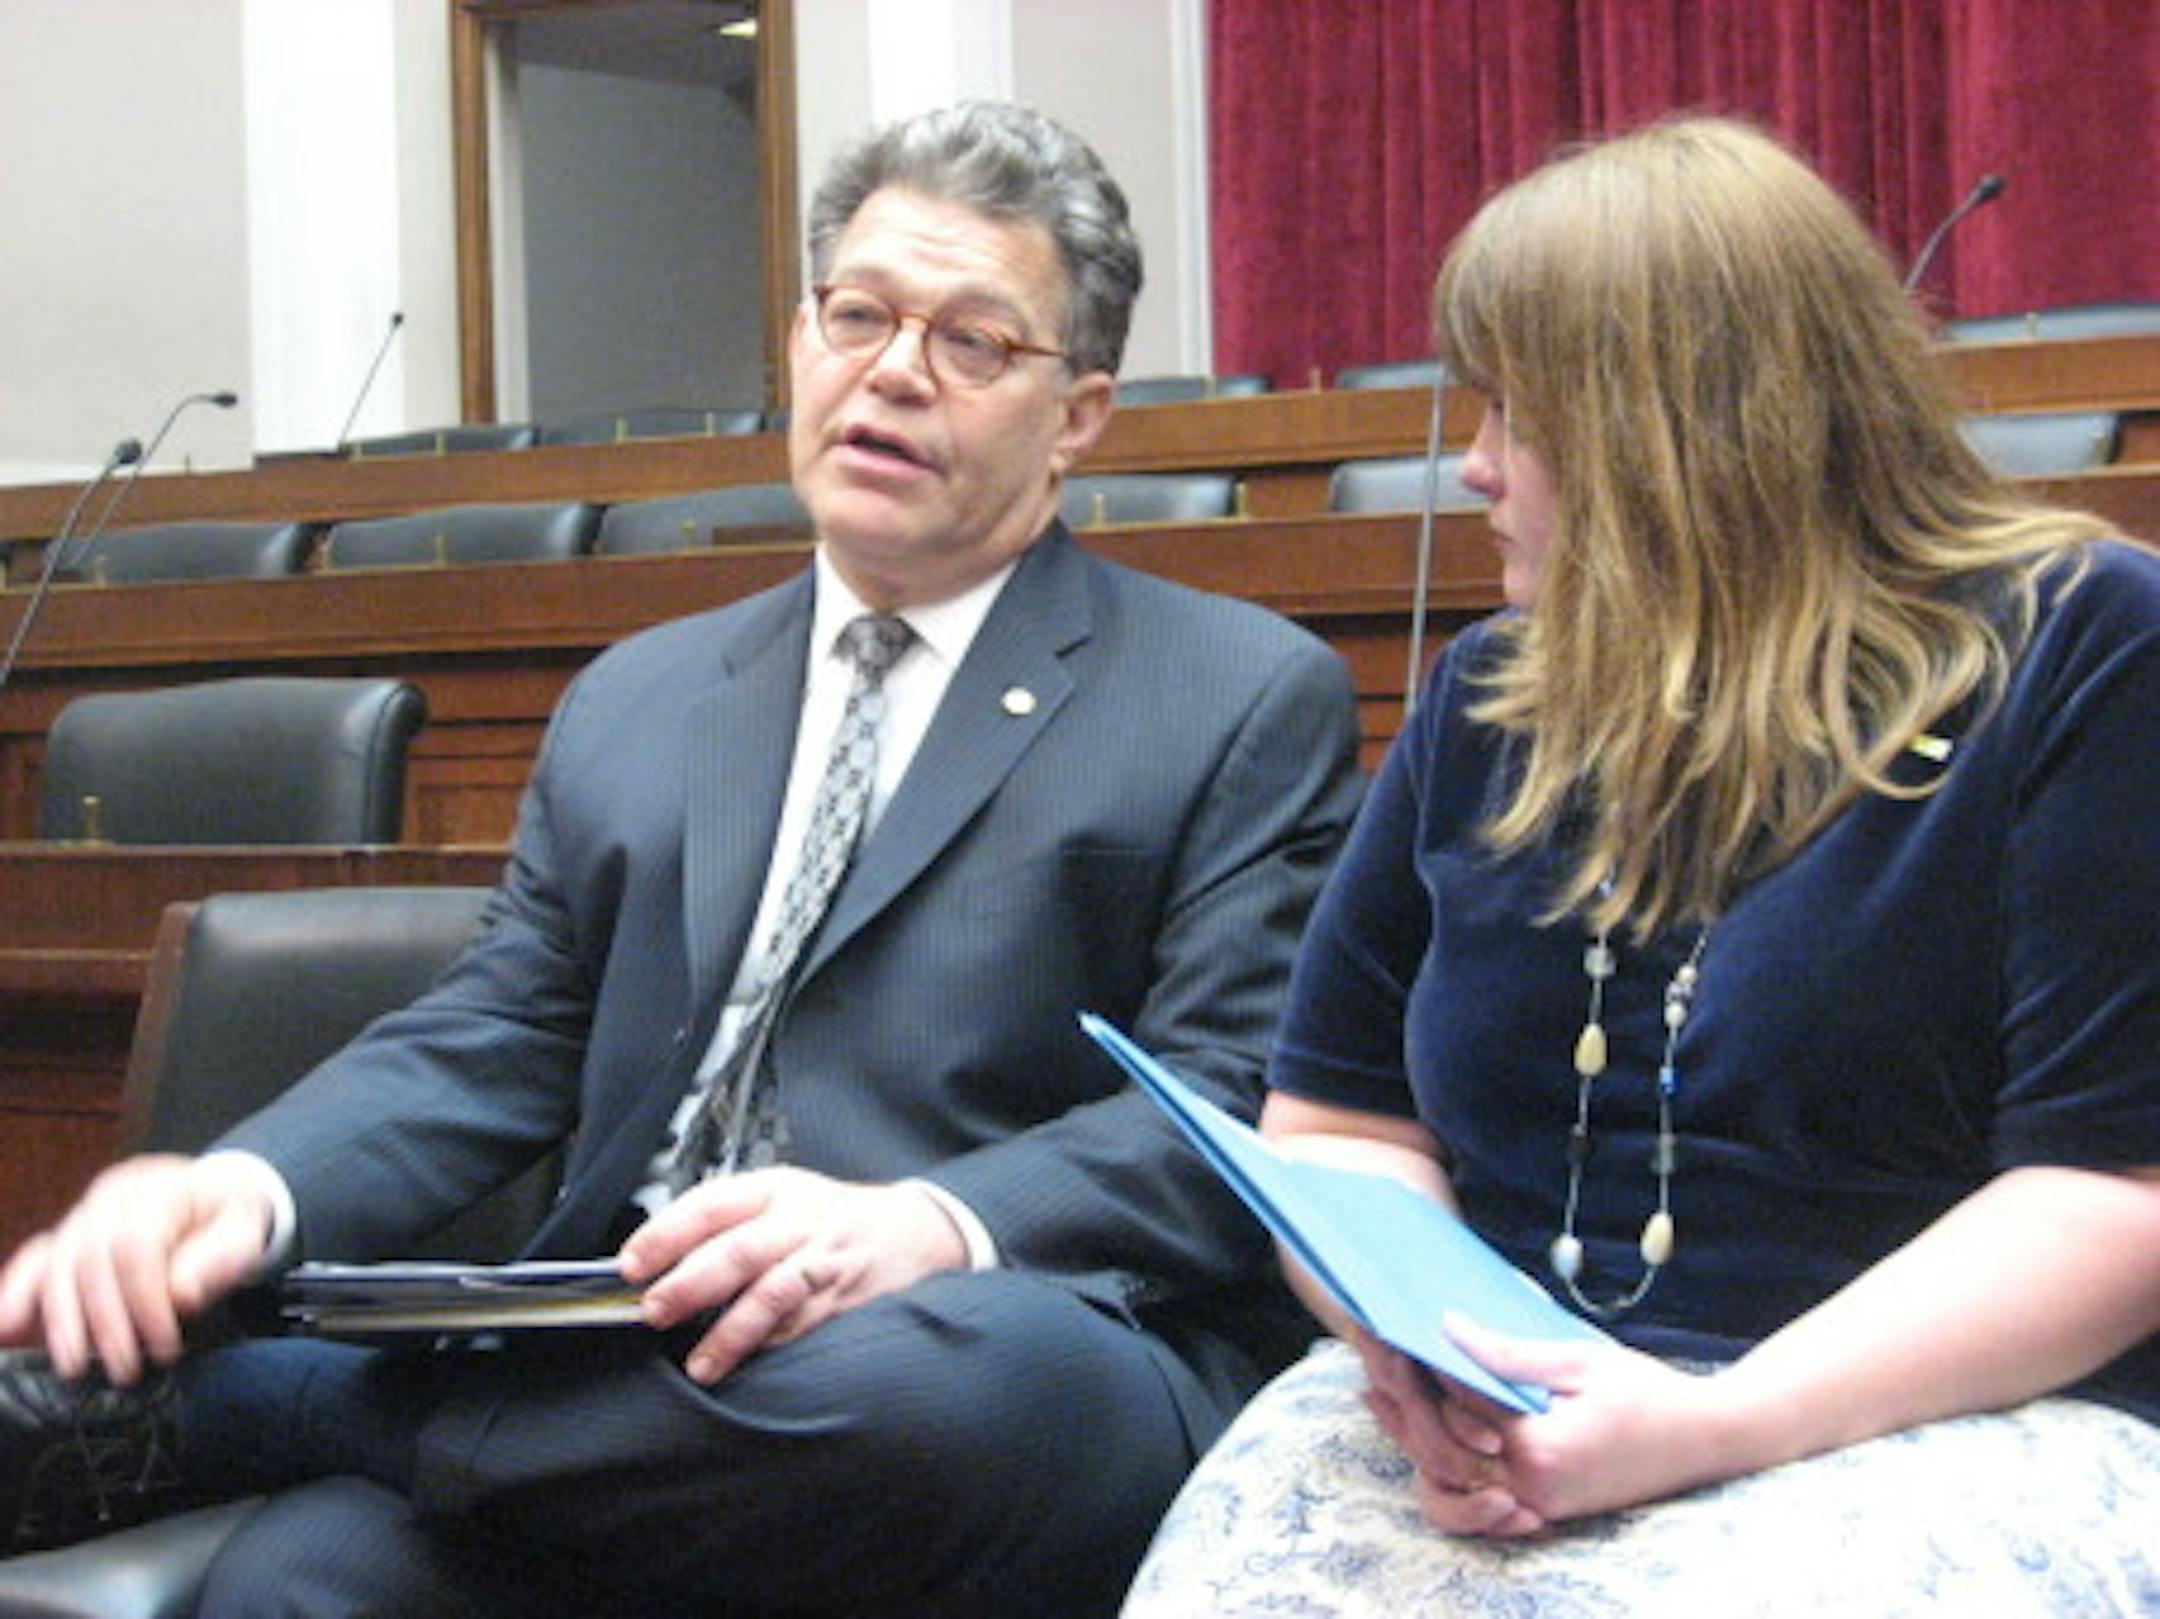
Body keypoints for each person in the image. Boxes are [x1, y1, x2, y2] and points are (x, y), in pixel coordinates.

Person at [0, 100, 1364, 1617]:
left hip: (958, 1352)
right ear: (799, 342)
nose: (895, 369)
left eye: (974, 341)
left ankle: (285, 1407)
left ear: (1081, 414)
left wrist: (921, 1225)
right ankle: (403, 1427)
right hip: (628, 1350)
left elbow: (1231, 1108)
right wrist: (240, 1192)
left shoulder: (1234, 693)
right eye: (859, 315)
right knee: (296, 1585)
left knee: (962, 1392)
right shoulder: (643, 695)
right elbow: (499, 1033)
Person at [1123, 116, 2159, 1616]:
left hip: (1953, 1426)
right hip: (1515, 1422)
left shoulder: (2088, 647)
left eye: (1514, 418)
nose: (1470, 468)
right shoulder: (1492, 692)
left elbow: (2109, 1198)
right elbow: (1339, 1118)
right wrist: (1414, 1347)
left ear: (1684, 428)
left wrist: (1706, 1427)